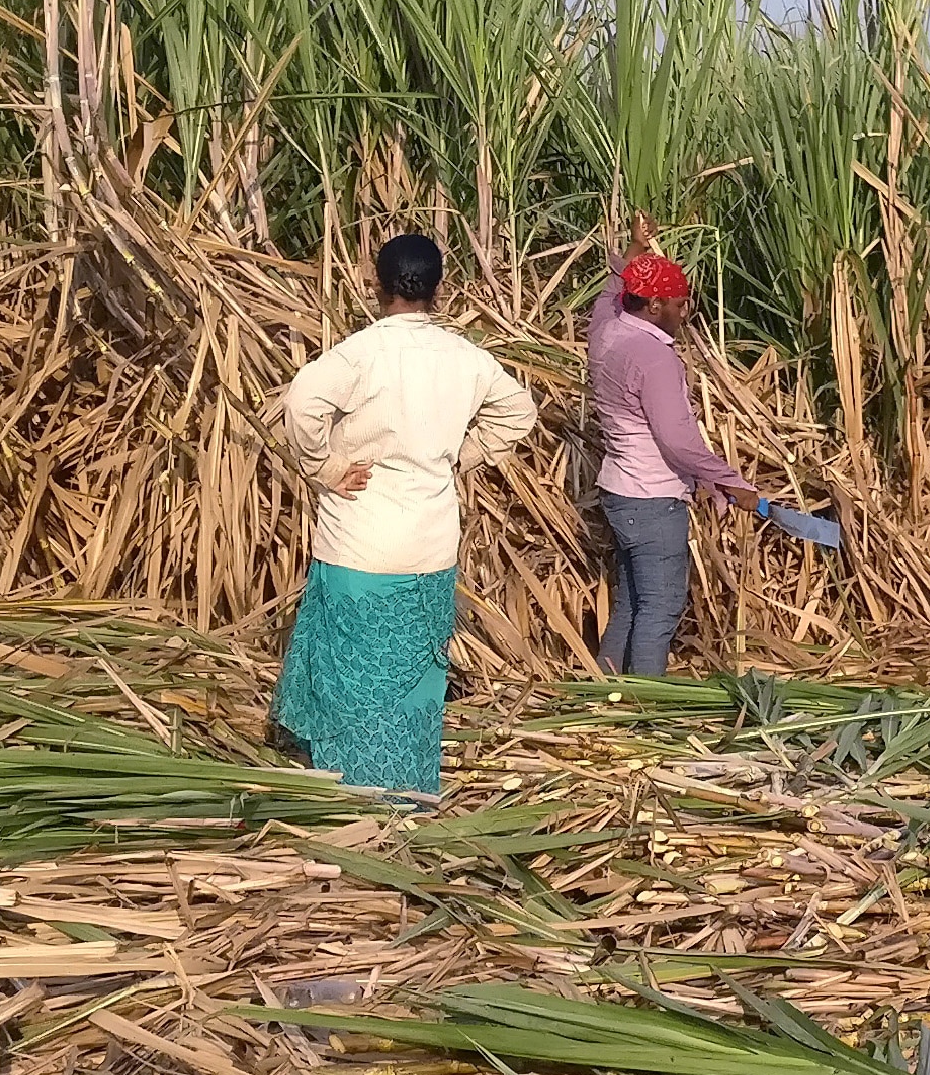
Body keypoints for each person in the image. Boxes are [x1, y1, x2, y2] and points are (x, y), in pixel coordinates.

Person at [273, 233, 537, 799]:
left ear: (378, 285)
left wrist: (326, 466)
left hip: (361, 536)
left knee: (353, 676)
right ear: (438, 289)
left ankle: (344, 794)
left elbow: (302, 403)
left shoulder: (361, 353)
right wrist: (460, 457)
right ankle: (408, 792)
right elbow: (519, 411)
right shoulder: (464, 358)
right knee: (413, 678)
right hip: (429, 539)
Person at [586, 227, 772, 677]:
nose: (683, 312)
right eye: (677, 304)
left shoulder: (606, 331)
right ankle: (647, 709)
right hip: (653, 498)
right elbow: (677, 440)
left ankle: (607, 695)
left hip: (619, 492)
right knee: (661, 608)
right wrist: (731, 481)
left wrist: (634, 249)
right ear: (653, 306)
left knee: (631, 602)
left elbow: (612, 291)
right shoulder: (653, 357)